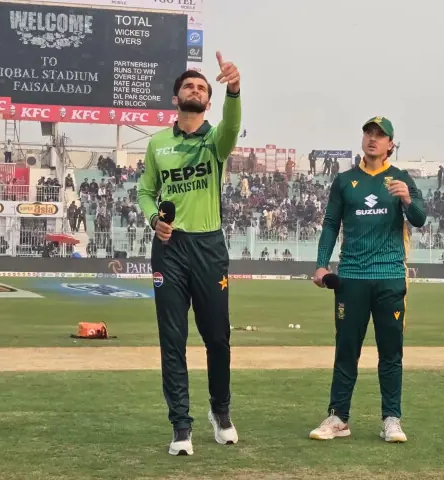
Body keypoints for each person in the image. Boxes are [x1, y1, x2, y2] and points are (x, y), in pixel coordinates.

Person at [137, 52, 242, 456]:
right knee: (172, 340)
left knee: (217, 337)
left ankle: (221, 412)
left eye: (201, 88)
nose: (195, 91)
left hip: (209, 246)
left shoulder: (216, 141)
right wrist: (154, 220)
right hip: (170, 249)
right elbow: (146, 191)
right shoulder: (158, 144)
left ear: (208, 102)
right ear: (176, 98)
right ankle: (181, 426)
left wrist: (235, 90)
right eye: (188, 86)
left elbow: (231, 126)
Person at [309, 116, 426, 443]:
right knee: (346, 350)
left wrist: (407, 199)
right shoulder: (345, 180)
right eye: (368, 133)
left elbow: (420, 219)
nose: (372, 139)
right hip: (351, 277)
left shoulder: (401, 178)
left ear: (390, 144)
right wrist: (321, 265)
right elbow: (330, 224)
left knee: (391, 352)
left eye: (380, 135)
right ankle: (338, 418)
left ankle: (391, 419)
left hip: (390, 276)